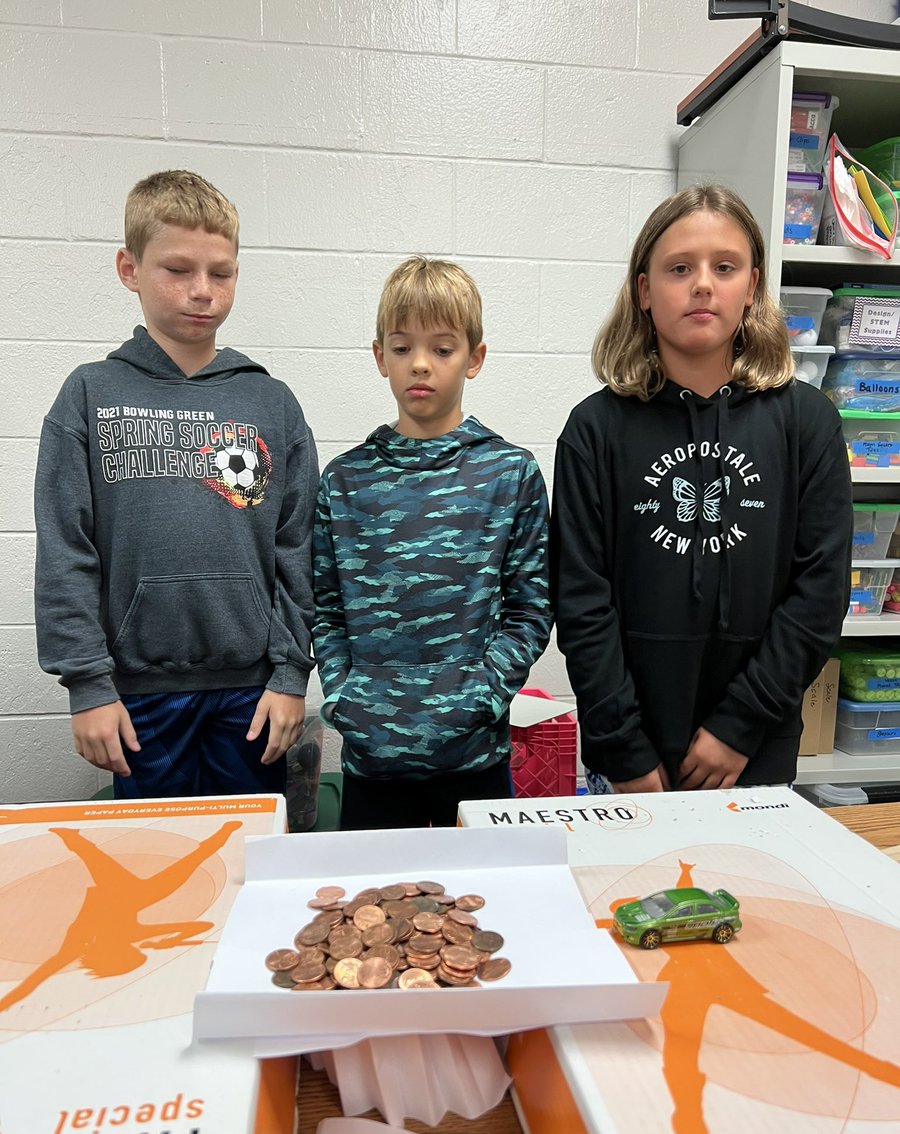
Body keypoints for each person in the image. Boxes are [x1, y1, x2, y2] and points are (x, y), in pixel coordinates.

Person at [550, 184, 851, 795]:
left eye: (725, 267)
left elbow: (820, 592)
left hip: (755, 745)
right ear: (643, 291)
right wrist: (623, 748)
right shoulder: (594, 430)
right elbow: (581, 602)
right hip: (629, 757)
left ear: (753, 288)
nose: (703, 284)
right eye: (679, 268)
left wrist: (741, 724)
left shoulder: (807, 422)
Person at [34, 170, 318, 799]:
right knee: (158, 872)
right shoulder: (89, 395)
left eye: (221, 272)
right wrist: (87, 684)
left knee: (246, 864)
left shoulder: (271, 402)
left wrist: (292, 674)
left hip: (254, 698)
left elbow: (299, 550)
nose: (202, 291)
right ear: (128, 268)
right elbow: (65, 552)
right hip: (134, 700)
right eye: (177, 269)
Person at [313, 256, 551, 828]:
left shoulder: (510, 474)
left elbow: (531, 610)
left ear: (475, 358)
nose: (420, 364)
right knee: (372, 915)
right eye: (401, 348)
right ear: (380, 357)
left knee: (482, 912)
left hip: (475, 763)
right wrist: (347, 699)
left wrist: (481, 698)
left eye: (442, 349)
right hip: (374, 768)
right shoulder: (344, 480)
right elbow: (324, 610)